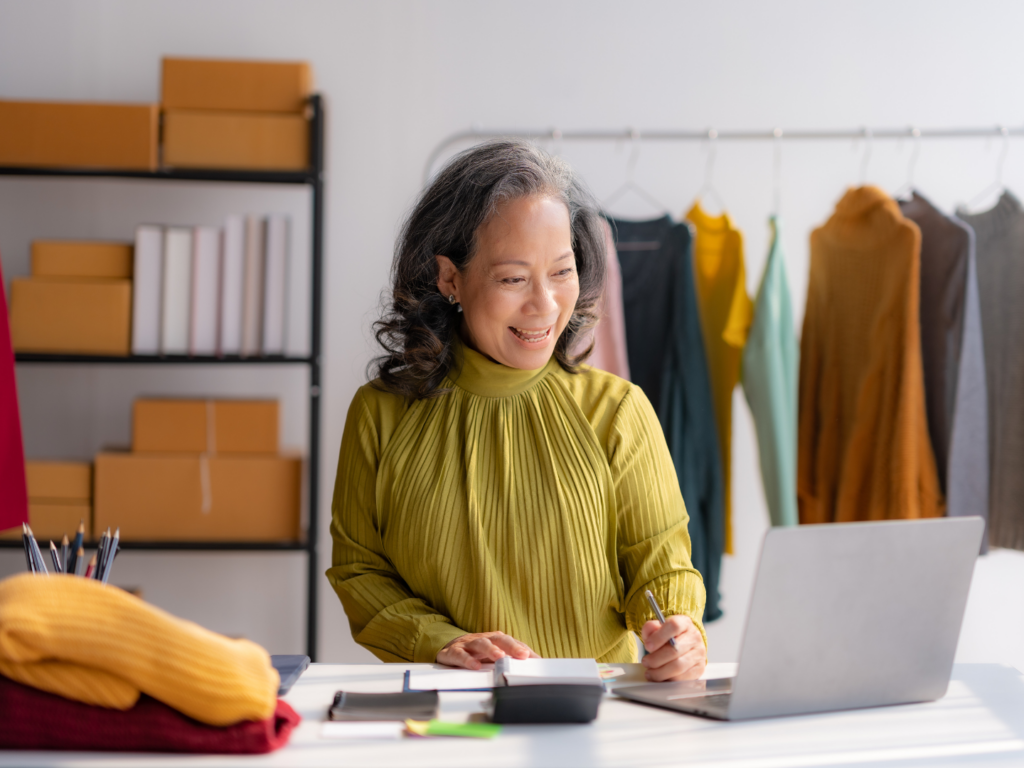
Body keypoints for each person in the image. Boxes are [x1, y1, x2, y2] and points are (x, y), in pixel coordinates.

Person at [327, 140, 708, 682]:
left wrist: (680, 631)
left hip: (597, 724)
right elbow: (358, 570)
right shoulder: (379, 414)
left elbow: (662, 564)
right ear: (449, 278)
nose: (545, 305)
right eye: (513, 278)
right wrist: (443, 642)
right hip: (451, 721)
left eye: (561, 272)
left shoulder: (619, 410)